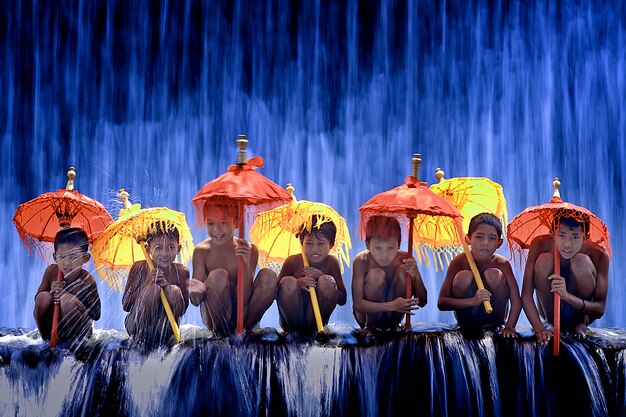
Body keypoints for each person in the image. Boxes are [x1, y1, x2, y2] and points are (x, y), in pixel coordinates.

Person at [189, 203, 278, 336]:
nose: (217, 229)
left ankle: (246, 331)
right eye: (211, 223)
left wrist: (246, 266)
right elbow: (195, 301)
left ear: (236, 222)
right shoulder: (201, 251)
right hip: (215, 316)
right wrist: (195, 289)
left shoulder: (250, 250)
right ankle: (222, 334)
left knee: (269, 276)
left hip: (245, 313)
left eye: (224, 222)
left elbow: (244, 297)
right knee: (218, 276)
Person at [521, 214, 609, 343]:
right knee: (544, 260)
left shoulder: (599, 254)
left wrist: (567, 296)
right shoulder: (539, 244)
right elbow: (526, 295)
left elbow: (600, 308)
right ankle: (551, 322)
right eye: (561, 235)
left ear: (586, 237)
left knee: (581, 261)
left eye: (575, 237)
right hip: (549, 311)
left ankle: (580, 323)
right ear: (552, 234)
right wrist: (539, 328)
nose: (567, 244)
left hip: (582, 313)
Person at [437, 213, 522, 336]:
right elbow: (442, 302)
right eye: (479, 237)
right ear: (468, 239)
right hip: (467, 321)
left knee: (493, 274)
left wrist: (510, 327)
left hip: (495, 320)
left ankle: (498, 324)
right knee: (464, 276)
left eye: (492, 238)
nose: (485, 242)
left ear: (499, 243)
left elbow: (516, 301)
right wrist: (472, 301)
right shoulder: (459, 262)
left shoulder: (502, 264)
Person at [351, 215, 427, 331]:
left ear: (399, 245)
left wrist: (416, 275)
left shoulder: (406, 259)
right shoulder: (362, 261)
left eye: (390, 248)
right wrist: (392, 305)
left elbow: (422, 302)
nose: (384, 254)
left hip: (393, 316)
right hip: (366, 318)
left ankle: (394, 326)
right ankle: (370, 327)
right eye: (378, 248)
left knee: (403, 270)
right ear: (368, 245)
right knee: (376, 275)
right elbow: (358, 305)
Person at [122, 221, 190, 348]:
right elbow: (126, 305)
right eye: (158, 247)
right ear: (148, 249)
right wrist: (147, 282)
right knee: (152, 290)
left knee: (174, 291)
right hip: (138, 326)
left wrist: (167, 286)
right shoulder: (139, 267)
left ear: (179, 249)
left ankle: (169, 337)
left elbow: (183, 308)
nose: (165, 253)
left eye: (171, 247)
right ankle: (140, 339)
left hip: (166, 328)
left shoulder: (181, 271)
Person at [276, 217, 347, 334]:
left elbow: (342, 299)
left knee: (328, 281)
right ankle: (295, 334)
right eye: (309, 243)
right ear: (301, 241)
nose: (315, 249)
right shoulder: (292, 262)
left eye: (321, 243)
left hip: (316, 324)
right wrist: (297, 283)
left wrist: (321, 276)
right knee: (288, 281)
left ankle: (316, 330)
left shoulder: (331, 263)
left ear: (331, 244)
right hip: (290, 322)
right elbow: (275, 294)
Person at [33, 227, 101, 346]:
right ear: (55, 257)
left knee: (67, 301)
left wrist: (69, 296)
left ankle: (73, 345)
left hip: (80, 330)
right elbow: (37, 299)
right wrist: (52, 293)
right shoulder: (51, 272)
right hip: (55, 325)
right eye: (62, 257)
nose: (67, 263)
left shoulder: (87, 281)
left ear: (85, 258)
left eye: (73, 257)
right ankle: (46, 342)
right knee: (43, 297)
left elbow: (97, 314)